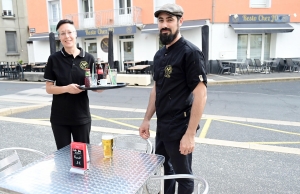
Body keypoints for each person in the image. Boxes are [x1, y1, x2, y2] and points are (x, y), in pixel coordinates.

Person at [139, 3, 207, 194]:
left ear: (180, 21)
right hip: (163, 125)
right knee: (163, 171)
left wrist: (190, 134)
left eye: (169, 20)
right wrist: (146, 119)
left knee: (183, 177)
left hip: (180, 126)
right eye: (161, 20)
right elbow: (156, 89)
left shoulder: (190, 53)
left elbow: (200, 94)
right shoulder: (159, 55)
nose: (164, 25)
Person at [44, 19, 100, 150]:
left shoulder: (89, 58)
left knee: (82, 157)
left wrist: (101, 85)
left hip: (81, 116)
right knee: (63, 157)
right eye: (62, 33)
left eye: (69, 32)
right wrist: (66, 89)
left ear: (76, 34)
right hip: (59, 118)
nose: (66, 36)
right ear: (59, 37)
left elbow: (95, 86)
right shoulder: (54, 59)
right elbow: (49, 88)